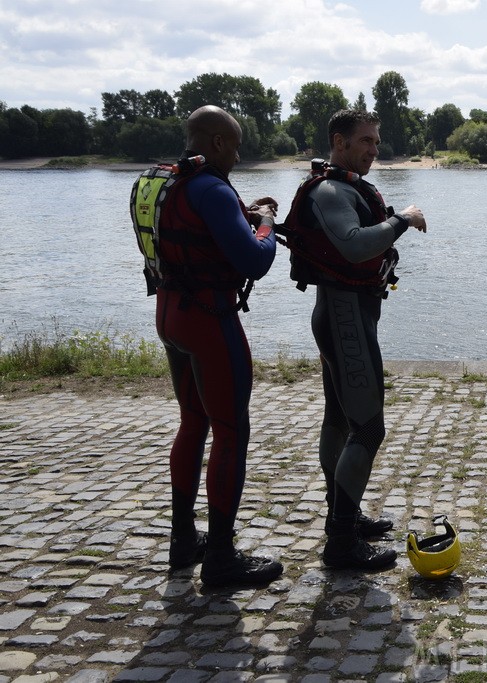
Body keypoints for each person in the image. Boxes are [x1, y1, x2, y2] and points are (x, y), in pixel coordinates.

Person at [285, 109, 426, 570]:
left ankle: (341, 516)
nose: (373, 149)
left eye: (376, 141)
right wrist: (403, 220)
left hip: (344, 315)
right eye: (365, 140)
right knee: (369, 427)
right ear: (338, 141)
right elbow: (354, 244)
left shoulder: (344, 186)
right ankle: (342, 543)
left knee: (341, 421)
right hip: (345, 320)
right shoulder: (330, 190)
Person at [149, 105, 283, 587]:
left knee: (193, 421)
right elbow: (255, 260)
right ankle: (222, 559)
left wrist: (240, 214)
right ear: (218, 142)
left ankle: (183, 539)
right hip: (209, 320)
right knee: (231, 432)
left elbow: (193, 232)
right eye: (237, 144)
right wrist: (263, 222)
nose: (240, 153)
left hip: (169, 313)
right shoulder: (212, 186)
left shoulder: (166, 180)